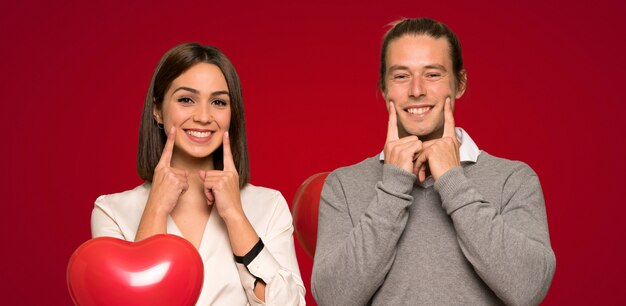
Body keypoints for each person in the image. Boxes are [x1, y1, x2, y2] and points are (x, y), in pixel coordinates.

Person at [311, 18, 556, 305]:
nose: (417, 90)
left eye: (433, 75)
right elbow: (331, 298)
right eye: (401, 76)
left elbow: (529, 289)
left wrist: (453, 181)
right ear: (383, 88)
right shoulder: (343, 185)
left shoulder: (513, 180)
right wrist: (393, 186)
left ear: (460, 83)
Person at [91, 43, 306, 306]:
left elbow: (290, 304)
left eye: (218, 102)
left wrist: (235, 217)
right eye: (186, 100)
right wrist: (156, 210)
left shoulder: (269, 205)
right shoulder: (111, 212)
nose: (204, 117)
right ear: (157, 110)